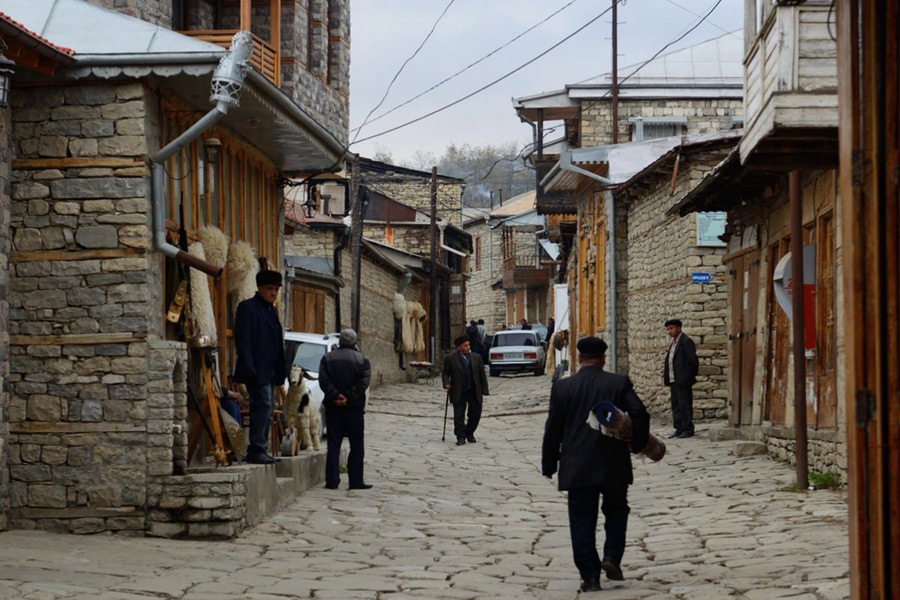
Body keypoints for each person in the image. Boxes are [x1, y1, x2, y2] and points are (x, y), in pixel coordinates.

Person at [542, 337, 649, 593]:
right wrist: (638, 443)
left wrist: (549, 464)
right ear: (603, 358)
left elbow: (553, 428)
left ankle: (590, 576)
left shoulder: (563, 388)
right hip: (613, 462)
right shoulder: (617, 383)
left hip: (577, 464)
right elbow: (640, 413)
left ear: (579, 358)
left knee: (581, 520)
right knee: (616, 511)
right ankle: (612, 556)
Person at [233, 269, 288, 464]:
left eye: (276, 289)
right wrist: (249, 368)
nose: (273, 293)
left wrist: (281, 370)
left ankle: (261, 447)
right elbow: (243, 341)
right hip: (256, 369)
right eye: (269, 289)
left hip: (270, 369)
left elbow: (276, 342)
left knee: (268, 408)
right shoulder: (247, 308)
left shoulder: (271, 310)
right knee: (262, 405)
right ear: (260, 288)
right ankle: (256, 448)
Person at [318, 329, 372, 490]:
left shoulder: (327, 358)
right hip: (354, 408)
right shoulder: (362, 360)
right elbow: (364, 383)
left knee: (334, 444)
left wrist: (336, 396)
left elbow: (323, 380)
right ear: (355, 342)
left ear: (340, 341)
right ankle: (356, 480)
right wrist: (348, 397)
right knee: (356, 445)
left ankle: (332, 480)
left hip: (333, 407)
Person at [442, 335, 489, 446]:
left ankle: (469, 432)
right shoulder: (450, 359)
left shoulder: (476, 358)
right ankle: (460, 436)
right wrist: (446, 383)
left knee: (475, 414)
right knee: (459, 416)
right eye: (465, 345)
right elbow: (445, 373)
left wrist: (484, 389)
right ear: (459, 347)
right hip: (459, 391)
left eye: (469, 345)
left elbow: (482, 375)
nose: (468, 347)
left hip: (473, 391)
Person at [663, 318, 699, 439]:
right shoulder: (674, 343)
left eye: (671, 328)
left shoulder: (686, 341)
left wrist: (688, 376)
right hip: (674, 379)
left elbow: (693, 361)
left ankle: (688, 429)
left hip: (683, 380)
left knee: (685, 405)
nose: (669, 331)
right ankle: (679, 428)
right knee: (676, 405)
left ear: (679, 328)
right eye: (668, 329)